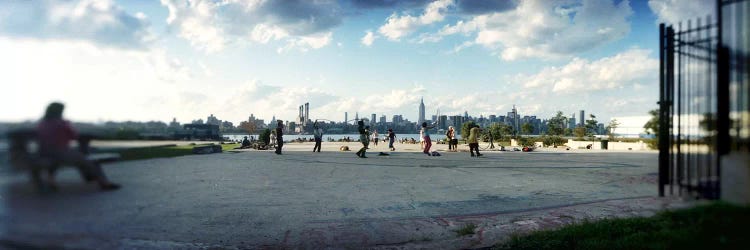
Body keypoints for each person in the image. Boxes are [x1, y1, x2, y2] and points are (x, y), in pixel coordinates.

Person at [35, 102, 120, 191]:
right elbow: (73, 136)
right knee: (87, 160)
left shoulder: (43, 123)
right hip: (60, 152)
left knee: (72, 157)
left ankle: (51, 181)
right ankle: (103, 182)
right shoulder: (61, 123)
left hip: (44, 152)